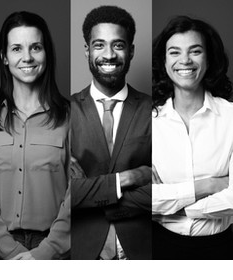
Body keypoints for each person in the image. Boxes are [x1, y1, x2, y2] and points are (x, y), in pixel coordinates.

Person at [68, 5, 152, 260]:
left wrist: (89, 195)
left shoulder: (154, 110)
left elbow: (164, 189)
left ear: (131, 50)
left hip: (142, 249)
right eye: (99, 45)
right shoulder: (64, 111)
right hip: (81, 251)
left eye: (118, 45)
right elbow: (61, 194)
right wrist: (132, 177)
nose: (109, 55)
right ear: (87, 50)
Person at [0, 11, 71, 260]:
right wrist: (10, 251)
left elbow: (76, 191)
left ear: (46, 54)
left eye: (35, 47)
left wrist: (46, 252)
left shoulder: (71, 118)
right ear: (4, 57)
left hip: (55, 250)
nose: (27, 57)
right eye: (16, 49)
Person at [151, 15, 233, 260]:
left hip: (223, 247)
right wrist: (208, 186)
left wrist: (177, 207)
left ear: (208, 59)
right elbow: (140, 197)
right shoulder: (147, 122)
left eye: (195, 51)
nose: (185, 60)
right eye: (174, 52)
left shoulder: (231, 117)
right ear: (164, 62)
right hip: (159, 246)